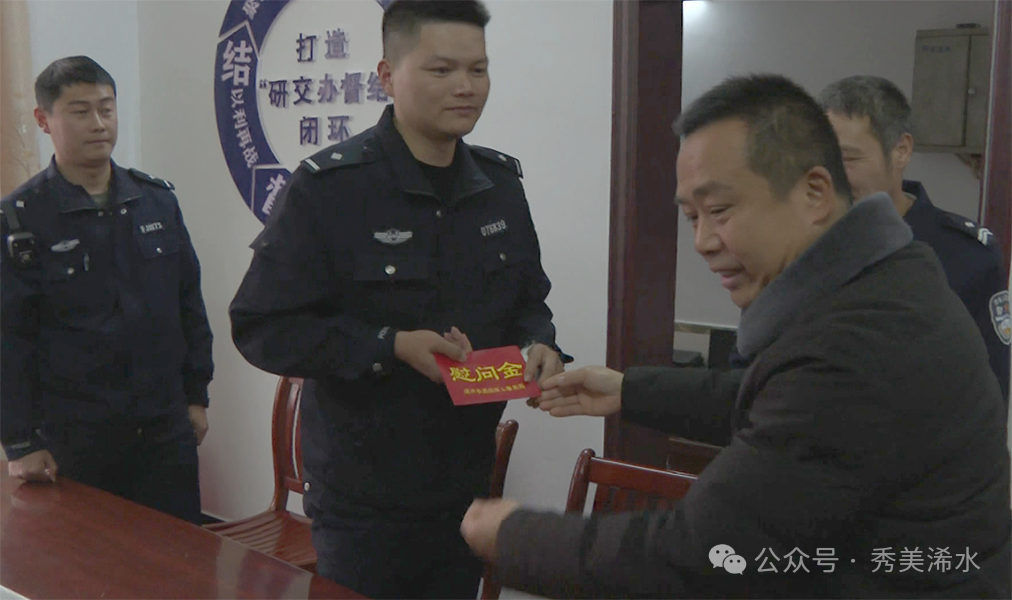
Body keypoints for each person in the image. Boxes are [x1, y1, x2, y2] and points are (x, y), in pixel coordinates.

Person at [460, 74, 1012, 599]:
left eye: (720, 210)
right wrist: (629, 390)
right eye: (691, 216)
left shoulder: (858, 342)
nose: (703, 240)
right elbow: (773, 398)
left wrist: (516, 536)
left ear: (815, 192)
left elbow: (702, 555)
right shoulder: (885, 277)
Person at [229, 1, 567, 598]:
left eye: (478, 70)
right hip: (363, 503)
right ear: (387, 76)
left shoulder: (499, 186)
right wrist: (389, 346)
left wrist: (540, 344)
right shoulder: (331, 188)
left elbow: (528, 300)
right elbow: (261, 325)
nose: (465, 87)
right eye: (441, 69)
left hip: (465, 488)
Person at [0, 56, 213, 524]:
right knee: (88, 560)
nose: (98, 124)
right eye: (80, 111)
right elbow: (10, 338)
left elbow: (188, 304)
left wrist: (196, 394)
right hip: (75, 438)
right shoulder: (20, 219)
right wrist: (20, 441)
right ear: (43, 119)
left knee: (177, 554)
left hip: (163, 428)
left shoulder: (155, 200)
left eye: (107, 108)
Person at [820, 75, 1009, 402]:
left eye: (848, 159)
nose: (831, 177)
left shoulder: (966, 256)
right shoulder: (801, 245)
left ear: (901, 151)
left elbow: (989, 395)